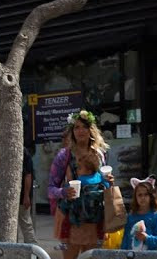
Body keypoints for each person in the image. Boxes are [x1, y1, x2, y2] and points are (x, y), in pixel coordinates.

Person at [49, 109, 111, 259]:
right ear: (72, 131)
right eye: (76, 127)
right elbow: (51, 189)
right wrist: (64, 192)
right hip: (70, 221)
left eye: (84, 126)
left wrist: (108, 182)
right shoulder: (64, 155)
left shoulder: (100, 154)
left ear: (91, 130)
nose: (80, 130)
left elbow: (103, 184)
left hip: (95, 219)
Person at [121, 176, 157, 250]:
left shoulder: (156, 215)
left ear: (151, 196)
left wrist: (146, 238)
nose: (143, 198)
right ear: (135, 197)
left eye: (146, 194)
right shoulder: (131, 216)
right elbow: (126, 238)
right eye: (140, 195)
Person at [19, 141, 38, 244]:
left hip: (22, 195)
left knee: (26, 224)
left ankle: (33, 251)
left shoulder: (23, 152)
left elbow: (28, 175)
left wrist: (26, 196)